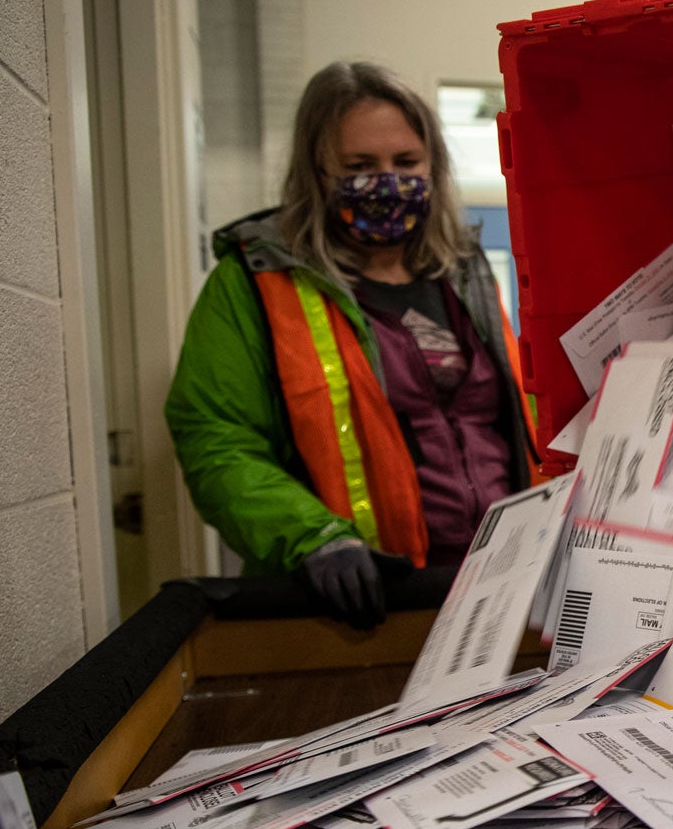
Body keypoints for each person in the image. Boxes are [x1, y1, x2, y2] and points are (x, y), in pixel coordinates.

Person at [167, 62, 535, 629]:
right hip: (356, 605)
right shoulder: (255, 281)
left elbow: (515, 420)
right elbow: (217, 438)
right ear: (318, 171)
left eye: (406, 162)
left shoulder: (463, 273)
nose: (387, 181)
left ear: (434, 165)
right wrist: (313, 538)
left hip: (493, 592)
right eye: (360, 166)